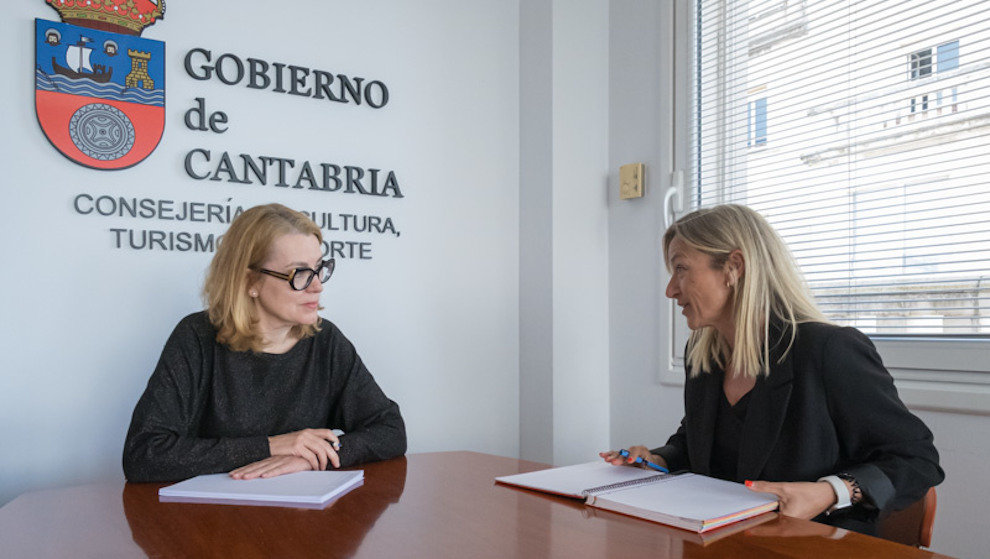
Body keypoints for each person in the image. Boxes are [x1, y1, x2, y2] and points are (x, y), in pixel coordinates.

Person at [601, 204, 943, 535]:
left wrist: (828, 492)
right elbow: (697, 444)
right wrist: (657, 459)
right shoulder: (703, 355)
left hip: (809, 546)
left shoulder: (829, 351)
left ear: (734, 266)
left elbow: (917, 459)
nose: (670, 289)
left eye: (681, 269)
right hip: (717, 544)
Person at [123, 203, 406, 482]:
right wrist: (272, 446)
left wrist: (311, 456)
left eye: (319, 269)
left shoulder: (326, 341)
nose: (318, 285)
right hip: (213, 520)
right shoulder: (197, 337)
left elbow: (390, 430)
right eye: (300, 273)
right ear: (250, 281)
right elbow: (144, 454)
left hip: (305, 517)